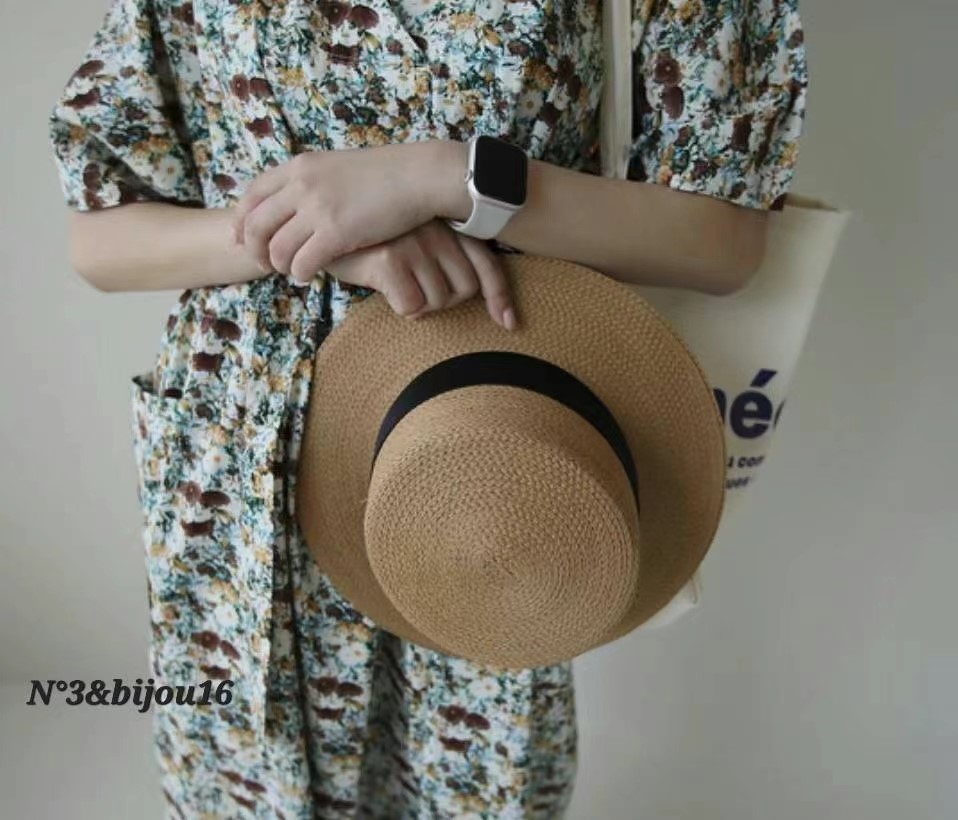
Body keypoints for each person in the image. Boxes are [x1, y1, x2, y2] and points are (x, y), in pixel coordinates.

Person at [48, 0, 807, 816]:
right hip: (244, 464)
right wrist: (317, 238)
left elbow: (724, 241)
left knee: (478, 782)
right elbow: (101, 238)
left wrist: (444, 178)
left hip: (494, 434)